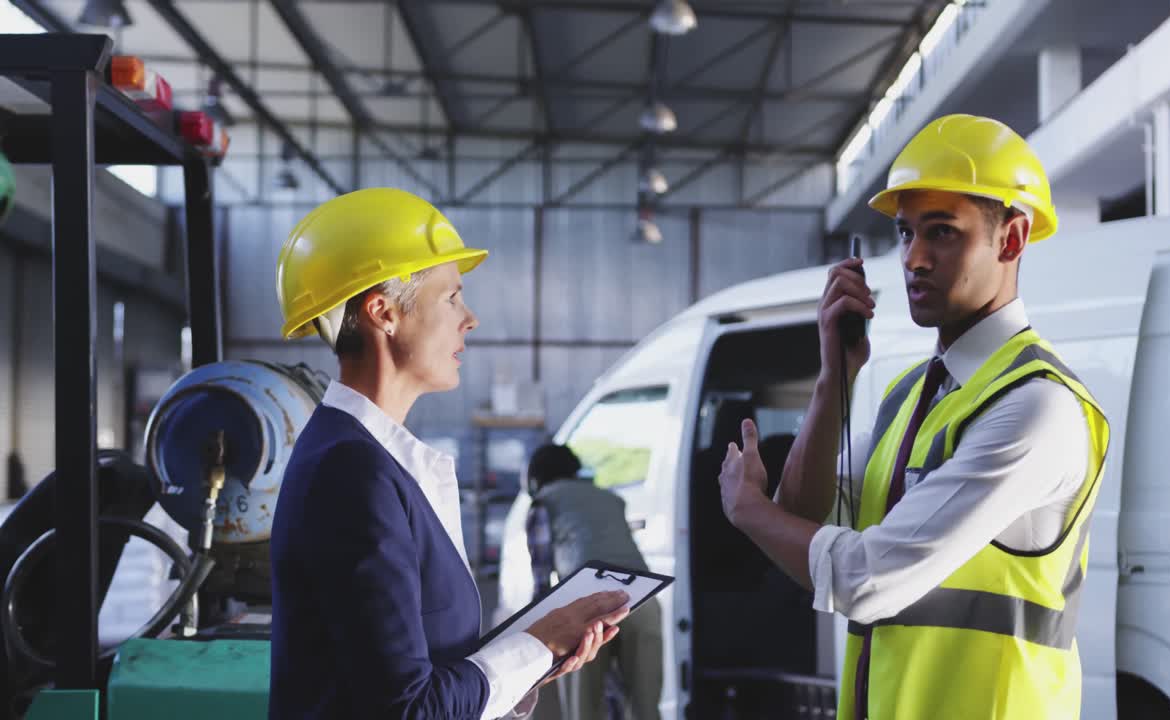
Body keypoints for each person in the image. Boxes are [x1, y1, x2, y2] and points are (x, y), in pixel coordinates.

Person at [715, 115, 1109, 720]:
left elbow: (866, 579)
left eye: (943, 233)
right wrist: (832, 382)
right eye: (905, 234)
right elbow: (802, 520)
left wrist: (748, 511)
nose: (914, 260)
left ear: (1011, 240)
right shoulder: (910, 396)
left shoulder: (1035, 405)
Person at [269, 188, 630, 719]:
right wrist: (538, 643)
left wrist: (535, 656)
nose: (471, 319)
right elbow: (408, 710)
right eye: (452, 297)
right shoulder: (351, 471)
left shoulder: (371, 461)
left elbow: (422, 679)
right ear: (383, 313)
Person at [522, 444, 662, 720]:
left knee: (583, 708)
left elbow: (541, 579)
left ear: (535, 477)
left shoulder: (543, 502)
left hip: (587, 605)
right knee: (645, 708)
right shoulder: (610, 499)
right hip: (644, 600)